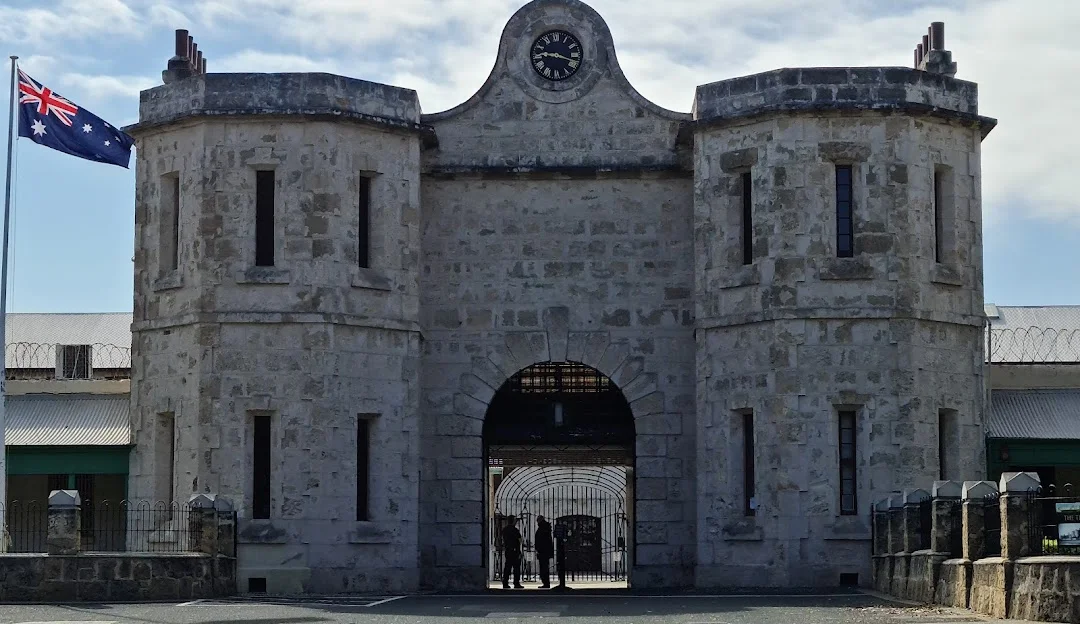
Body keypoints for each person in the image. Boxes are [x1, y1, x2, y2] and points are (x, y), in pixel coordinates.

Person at [501, 515, 524, 589]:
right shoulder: (515, 530)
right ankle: (516, 583)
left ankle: (505, 583)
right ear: (513, 521)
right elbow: (520, 540)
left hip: (508, 550)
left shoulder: (505, 529)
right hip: (515, 551)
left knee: (507, 567)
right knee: (516, 568)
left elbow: (502, 539)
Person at [534, 515, 554, 588]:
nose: (537, 522)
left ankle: (546, 583)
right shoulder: (545, 527)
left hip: (543, 551)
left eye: (537, 520)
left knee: (544, 567)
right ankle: (545, 582)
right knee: (544, 567)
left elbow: (542, 540)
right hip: (544, 551)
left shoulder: (543, 528)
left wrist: (538, 548)